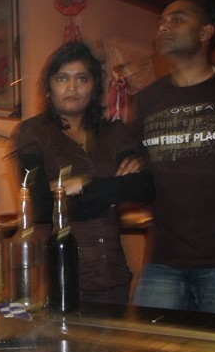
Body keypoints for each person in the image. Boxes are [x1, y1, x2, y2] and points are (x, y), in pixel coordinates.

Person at [130, 0, 215, 314]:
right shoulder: (147, 100)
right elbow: (136, 172)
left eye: (177, 19)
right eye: (161, 21)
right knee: (149, 344)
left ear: (205, 32)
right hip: (163, 259)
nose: (163, 27)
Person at [14, 41, 154, 305]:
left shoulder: (113, 132)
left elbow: (144, 187)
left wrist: (82, 183)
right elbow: (42, 206)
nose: (72, 87)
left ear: (94, 86)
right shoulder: (33, 133)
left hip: (115, 276)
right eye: (62, 78)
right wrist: (114, 190)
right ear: (49, 87)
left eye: (82, 78)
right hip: (63, 279)